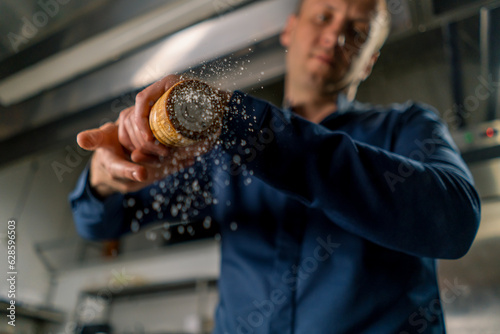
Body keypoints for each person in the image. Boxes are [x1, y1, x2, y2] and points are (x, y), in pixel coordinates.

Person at [69, 0, 481, 332]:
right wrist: (107, 175)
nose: (335, 34)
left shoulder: (406, 126)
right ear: (290, 29)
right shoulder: (216, 155)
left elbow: (455, 220)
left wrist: (241, 123)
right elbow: (100, 224)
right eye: (323, 16)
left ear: (369, 61)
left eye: (356, 32)